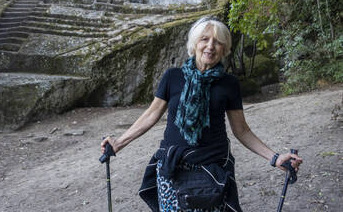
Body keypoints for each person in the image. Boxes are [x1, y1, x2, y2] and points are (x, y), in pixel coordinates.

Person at [101, 16, 303, 212]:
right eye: (205, 39)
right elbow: (151, 115)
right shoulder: (173, 77)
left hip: (212, 169)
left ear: (224, 49)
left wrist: (274, 157)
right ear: (194, 43)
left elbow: (242, 130)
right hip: (173, 168)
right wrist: (119, 142)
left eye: (218, 42)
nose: (210, 46)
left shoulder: (229, 83)